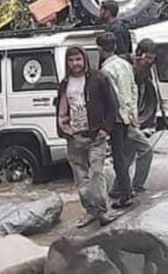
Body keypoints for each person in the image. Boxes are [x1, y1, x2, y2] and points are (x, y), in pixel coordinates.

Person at [57, 46, 117, 227]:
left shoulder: (98, 79)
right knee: (80, 178)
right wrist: (63, 129)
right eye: (71, 60)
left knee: (96, 174)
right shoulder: (65, 84)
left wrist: (106, 129)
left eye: (78, 59)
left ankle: (103, 211)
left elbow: (112, 105)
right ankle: (90, 211)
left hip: (95, 136)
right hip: (74, 136)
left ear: (84, 60)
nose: (75, 63)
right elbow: (60, 109)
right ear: (67, 63)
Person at [97, 32, 137, 209]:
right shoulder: (125, 64)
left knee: (119, 157)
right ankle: (125, 189)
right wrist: (132, 113)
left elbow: (114, 97)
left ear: (100, 49)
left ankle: (125, 194)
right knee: (124, 154)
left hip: (117, 118)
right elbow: (132, 88)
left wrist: (117, 116)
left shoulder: (106, 70)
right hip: (127, 115)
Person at [124, 40, 156, 196]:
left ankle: (118, 188)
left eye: (152, 58)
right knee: (146, 150)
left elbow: (142, 93)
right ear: (139, 54)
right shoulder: (126, 66)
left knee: (129, 154)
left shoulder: (144, 71)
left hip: (133, 117)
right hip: (123, 117)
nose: (150, 62)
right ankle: (137, 186)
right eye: (147, 58)